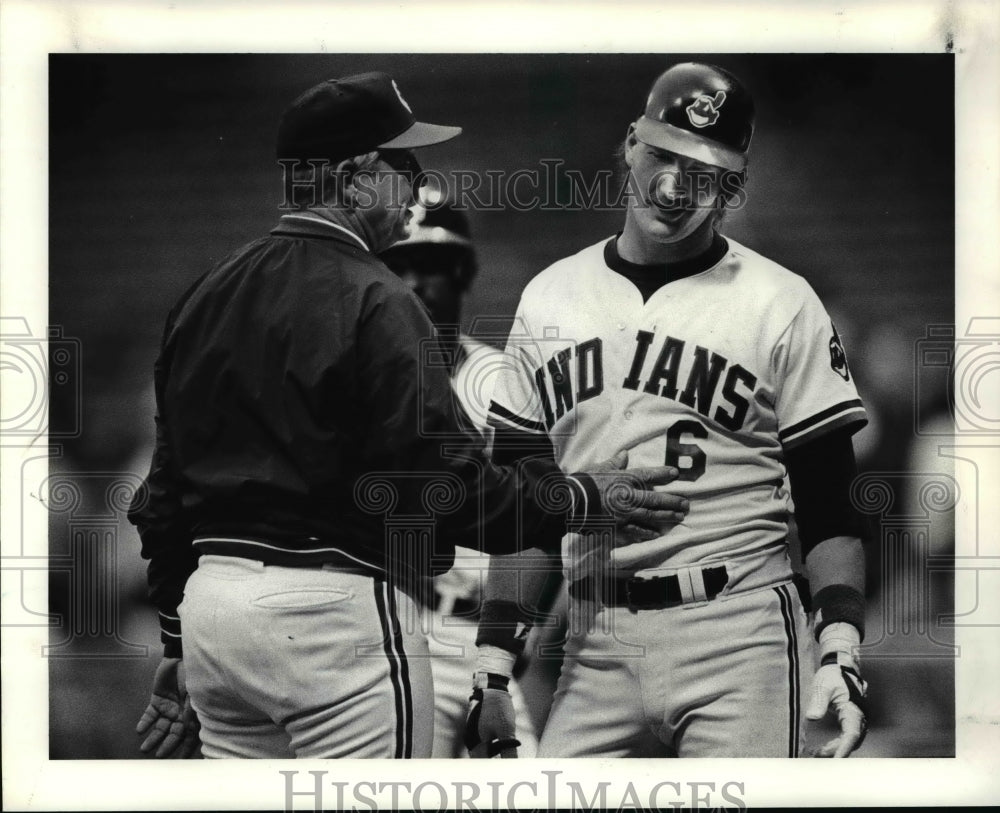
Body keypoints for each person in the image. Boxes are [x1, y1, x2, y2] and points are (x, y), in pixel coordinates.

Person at [127, 71, 688, 759]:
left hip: (214, 616)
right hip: (335, 616)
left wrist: (178, 638)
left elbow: (162, 494)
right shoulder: (379, 300)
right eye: (404, 163)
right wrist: (580, 495)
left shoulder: (205, 295)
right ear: (359, 177)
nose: (418, 180)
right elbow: (446, 489)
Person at [464, 62, 871, 759]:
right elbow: (530, 508)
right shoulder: (549, 298)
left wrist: (839, 639)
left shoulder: (782, 299)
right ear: (629, 142)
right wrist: (494, 661)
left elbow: (830, 502)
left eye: (704, 171)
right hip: (595, 636)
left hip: (738, 629)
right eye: (662, 155)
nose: (674, 187)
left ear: (734, 185)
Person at [380, 187, 540, 758]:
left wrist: (527, 634)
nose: (416, 285)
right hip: (393, 629)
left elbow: (546, 517)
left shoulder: (502, 380)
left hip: (486, 638)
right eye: (399, 268)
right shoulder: (358, 383)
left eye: (431, 268)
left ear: (462, 274)